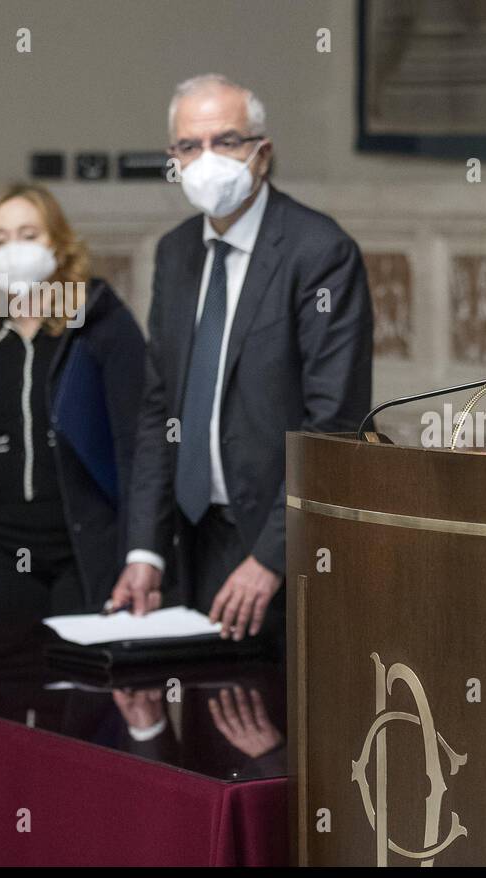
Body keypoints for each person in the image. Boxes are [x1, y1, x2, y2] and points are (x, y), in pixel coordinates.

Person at [109, 74, 373, 648]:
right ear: (173, 159)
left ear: (261, 152)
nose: (206, 159)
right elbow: (159, 411)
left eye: (226, 140)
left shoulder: (320, 252)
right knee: (201, 720)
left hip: (285, 550)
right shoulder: (175, 251)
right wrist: (145, 549)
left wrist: (272, 557)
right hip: (193, 540)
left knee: (275, 725)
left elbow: (335, 427)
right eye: (189, 146)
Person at [0, 183, 146, 618]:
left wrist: (142, 553)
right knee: (2, 678)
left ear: (58, 245)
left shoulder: (101, 325)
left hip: (86, 553)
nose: (13, 250)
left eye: (29, 235)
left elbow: (138, 448)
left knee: (83, 681)